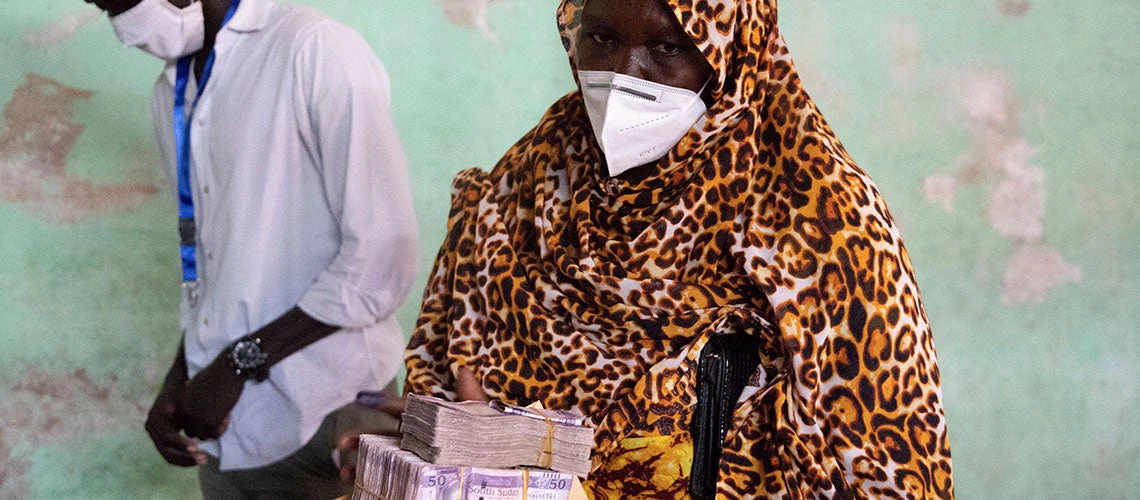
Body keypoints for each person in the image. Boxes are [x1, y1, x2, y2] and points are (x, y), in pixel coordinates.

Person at [401, 0, 953, 497]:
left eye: (668, 47)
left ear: (731, 51)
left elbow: (891, 473)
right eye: (601, 38)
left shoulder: (819, 219)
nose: (622, 76)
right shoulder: (540, 168)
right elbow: (449, 375)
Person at [84, 0, 418, 497]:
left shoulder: (315, 49)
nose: (124, 23)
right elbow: (217, 271)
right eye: (106, 6)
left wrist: (237, 364)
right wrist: (179, 382)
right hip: (226, 430)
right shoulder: (173, 92)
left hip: (328, 420)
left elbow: (381, 259)